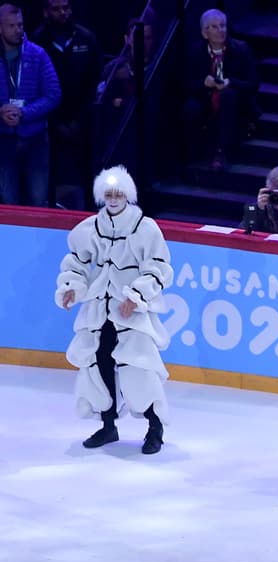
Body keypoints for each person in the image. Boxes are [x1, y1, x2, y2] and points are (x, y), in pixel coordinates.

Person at [55, 166, 171, 454]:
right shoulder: (90, 228)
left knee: (139, 365)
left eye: (119, 193)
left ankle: (154, 428)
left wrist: (137, 294)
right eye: (108, 194)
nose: (113, 199)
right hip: (99, 309)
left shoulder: (144, 228)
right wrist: (72, 286)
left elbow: (157, 267)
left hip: (131, 310)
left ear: (128, 195)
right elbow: (76, 262)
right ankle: (108, 425)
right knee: (99, 363)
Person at [31, 0, 101, 209]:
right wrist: (56, 121)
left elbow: (94, 79)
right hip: (50, 119)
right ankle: (50, 213)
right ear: (45, 12)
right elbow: (35, 85)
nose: (63, 13)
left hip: (82, 117)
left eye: (66, 8)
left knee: (88, 171)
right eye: (56, 9)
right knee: (47, 172)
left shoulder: (86, 38)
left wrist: (79, 118)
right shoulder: (37, 41)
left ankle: (92, 213)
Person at [0, 3, 60, 207]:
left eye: (20, 25)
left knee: (37, 201)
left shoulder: (38, 54)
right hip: (3, 141)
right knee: (8, 203)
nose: (18, 30)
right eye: (12, 26)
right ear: (0, 28)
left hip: (36, 140)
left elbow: (53, 95)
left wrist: (23, 113)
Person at [183, 9, 259, 170]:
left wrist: (230, 82)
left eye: (223, 26)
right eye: (215, 27)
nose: (221, 31)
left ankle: (221, 151)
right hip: (205, 98)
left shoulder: (242, 49)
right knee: (191, 108)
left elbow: (253, 84)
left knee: (228, 96)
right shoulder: (195, 52)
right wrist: (204, 82)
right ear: (205, 33)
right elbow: (185, 83)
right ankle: (191, 155)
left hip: (235, 101)